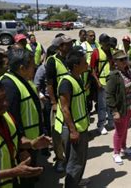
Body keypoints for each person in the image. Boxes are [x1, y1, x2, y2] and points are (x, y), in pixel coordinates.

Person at [0, 49, 51, 187]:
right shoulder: (9, 85)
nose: (35, 67)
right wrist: (22, 149)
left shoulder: (22, 79)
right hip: (23, 146)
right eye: (33, 64)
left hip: (31, 142)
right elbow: (11, 120)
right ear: (22, 68)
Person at [0, 78, 50, 188]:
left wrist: (31, 143)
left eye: (5, 98)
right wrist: (13, 172)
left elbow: (16, 138)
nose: (5, 103)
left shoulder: (6, 116)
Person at [53, 47, 90, 188]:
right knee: (74, 162)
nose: (86, 64)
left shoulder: (78, 78)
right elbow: (65, 109)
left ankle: (77, 182)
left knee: (80, 158)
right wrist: (73, 130)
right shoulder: (66, 82)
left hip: (81, 126)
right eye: (84, 62)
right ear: (76, 65)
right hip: (72, 129)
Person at [45, 34, 73, 172]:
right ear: (61, 46)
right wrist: (54, 102)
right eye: (68, 44)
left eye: (71, 43)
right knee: (58, 133)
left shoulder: (71, 58)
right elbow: (49, 84)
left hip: (72, 102)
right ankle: (60, 159)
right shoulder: (52, 61)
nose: (71, 45)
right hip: (59, 103)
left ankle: (69, 158)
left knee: (70, 132)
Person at [106, 50, 131, 165]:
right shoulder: (113, 76)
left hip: (129, 105)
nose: (124, 61)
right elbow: (109, 95)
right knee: (119, 131)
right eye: (121, 60)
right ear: (115, 62)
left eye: (125, 59)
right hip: (120, 108)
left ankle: (124, 148)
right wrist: (114, 111)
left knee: (125, 128)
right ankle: (116, 153)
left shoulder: (128, 70)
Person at [91, 33, 114, 135]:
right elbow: (92, 69)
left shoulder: (111, 51)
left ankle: (110, 121)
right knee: (102, 106)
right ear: (101, 43)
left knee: (111, 103)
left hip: (110, 82)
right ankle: (101, 125)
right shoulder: (96, 53)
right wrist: (97, 82)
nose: (107, 45)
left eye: (108, 43)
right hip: (102, 82)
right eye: (105, 43)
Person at [33, 45, 57, 142]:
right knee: (48, 123)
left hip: (57, 98)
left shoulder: (58, 66)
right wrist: (42, 97)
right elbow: (36, 85)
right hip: (47, 100)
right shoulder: (42, 69)